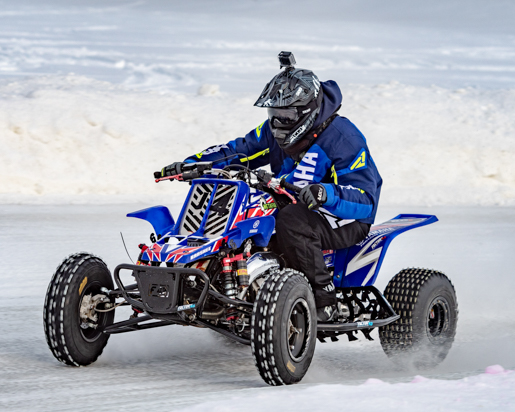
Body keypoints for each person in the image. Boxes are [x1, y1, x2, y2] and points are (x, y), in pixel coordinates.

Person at [160, 52, 382, 322]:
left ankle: (324, 299)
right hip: (292, 200)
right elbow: (239, 151)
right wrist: (192, 164)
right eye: (273, 113)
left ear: (308, 111)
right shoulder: (275, 130)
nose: (277, 121)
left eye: (285, 114)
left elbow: (365, 200)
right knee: (242, 211)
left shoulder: (343, 138)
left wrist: (326, 193)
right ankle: (224, 285)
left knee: (292, 221)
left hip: (343, 216)